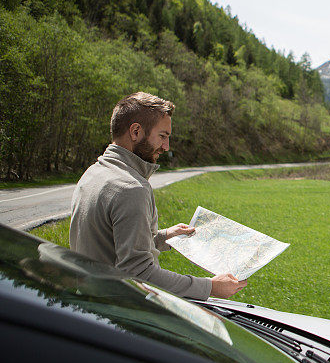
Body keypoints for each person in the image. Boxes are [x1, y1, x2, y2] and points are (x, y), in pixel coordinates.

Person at [69, 92, 246, 300]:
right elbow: (138, 273)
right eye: (163, 136)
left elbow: (110, 242)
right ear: (135, 131)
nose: (166, 147)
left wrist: (163, 237)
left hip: (89, 303)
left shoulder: (93, 173)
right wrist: (210, 287)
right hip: (120, 314)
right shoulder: (131, 188)